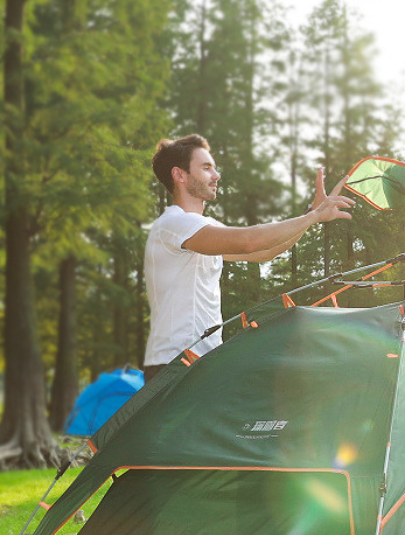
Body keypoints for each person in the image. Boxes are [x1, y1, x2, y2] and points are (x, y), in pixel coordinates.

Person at [143, 134, 355, 382]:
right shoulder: (173, 224)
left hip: (200, 361)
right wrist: (313, 216)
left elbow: (265, 251)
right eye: (206, 168)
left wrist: (311, 215)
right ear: (179, 175)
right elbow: (249, 241)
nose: (216, 176)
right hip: (174, 364)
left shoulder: (200, 227)